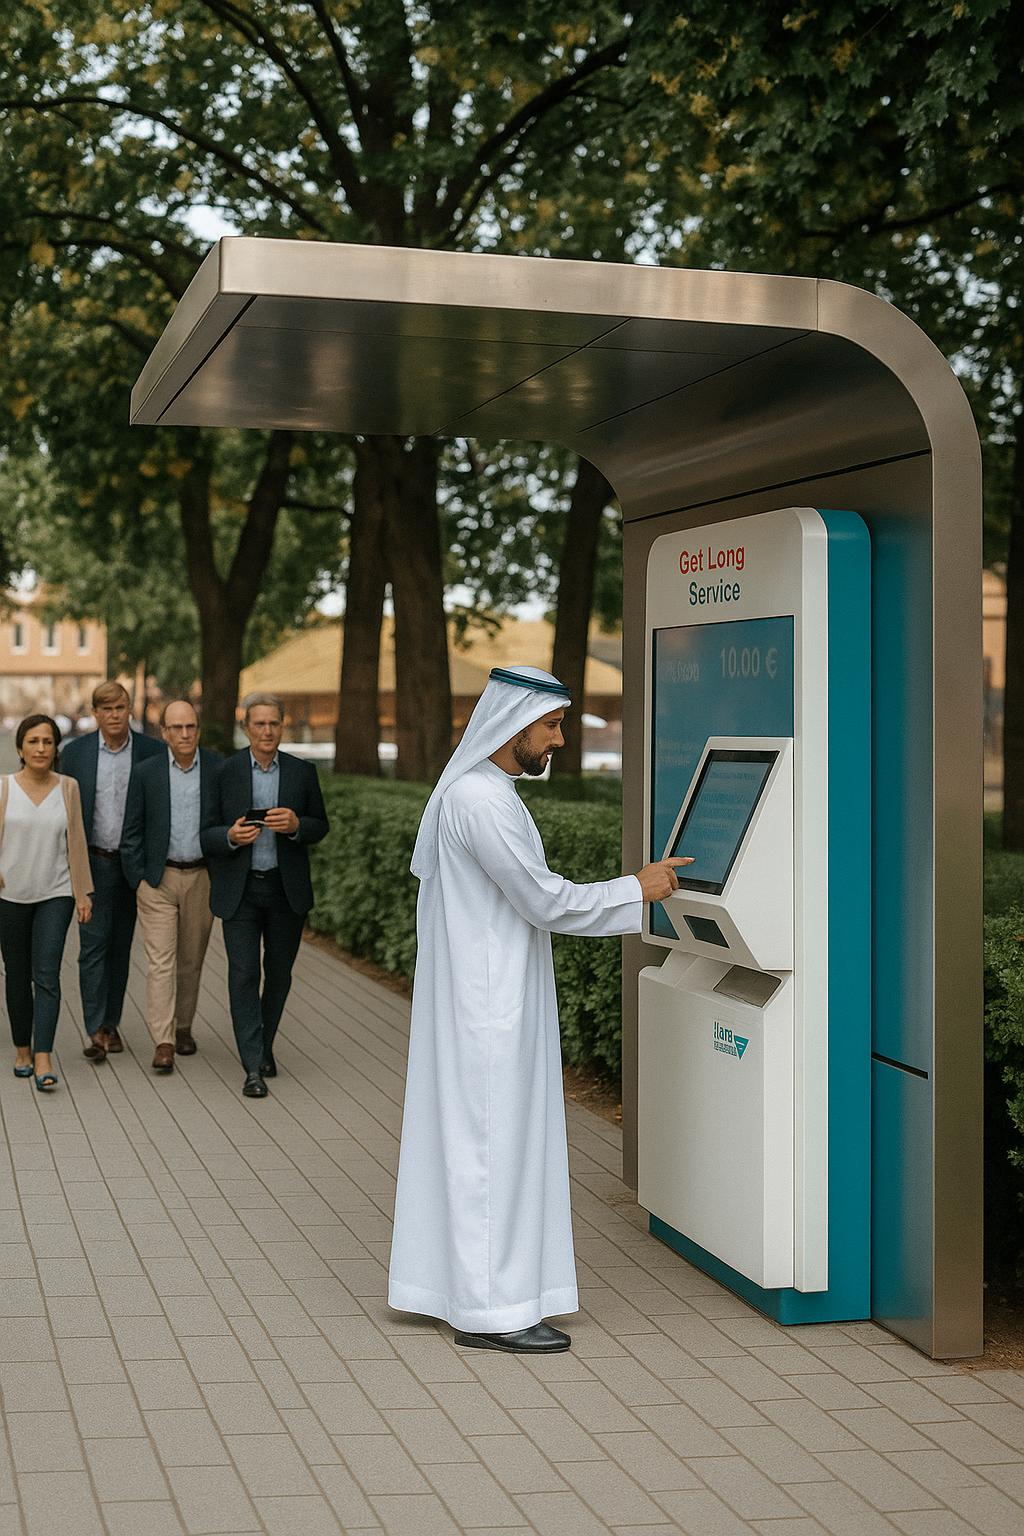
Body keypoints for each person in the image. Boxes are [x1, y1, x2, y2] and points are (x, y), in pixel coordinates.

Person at [387, 666, 689, 1355]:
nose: (558, 740)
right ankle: (490, 1313)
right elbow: (544, 900)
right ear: (512, 725)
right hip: (487, 1009)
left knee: (479, 1148)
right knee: (494, 1150)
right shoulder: (481, 801)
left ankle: (467, 1293)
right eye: (551, 726)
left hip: (486, 1000)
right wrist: (636, 889)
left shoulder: (483, 793)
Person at [202, 693, 329, 1099]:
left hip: (284, 890)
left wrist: (296, 825)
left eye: (274, 724)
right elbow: (206, 833)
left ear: (282, 726)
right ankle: (253, 1066)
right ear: (247, 728)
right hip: (239, 891)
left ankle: (264, 1045)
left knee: (278, 975)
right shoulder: (225, 772)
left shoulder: (301, 772)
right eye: (259, 724)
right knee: (243, 975)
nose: (267, 731)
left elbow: (320, 826)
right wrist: (229, 836)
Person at [61, 681, 164, 1061]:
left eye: (120, 707)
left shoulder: (153, 751)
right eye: (106, 709)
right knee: (92, 947)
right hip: (92, 863)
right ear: (95, 713)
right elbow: (66, 814)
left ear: (129, 709)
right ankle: (94, 1029)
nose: (114, 715)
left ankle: (111, 1023)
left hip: (133, 867)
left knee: (120, 948)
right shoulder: (75, 754)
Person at [120, 701, 222, 1073]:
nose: (184, 734)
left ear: (198, 729)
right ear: (163, 732)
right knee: (160, 962)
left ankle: (183, 1028)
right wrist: (140, 879)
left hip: (201, 878)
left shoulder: (216, 767)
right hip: (157, 881)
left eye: (190, 727)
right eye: (176, 728)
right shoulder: (146, 772)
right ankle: (163, 1041)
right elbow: (130, 830)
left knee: (191, 961)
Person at [0, 715, 93, 1091]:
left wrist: (82, 891)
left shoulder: (67, 787)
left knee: (48, 975)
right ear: (20, 748)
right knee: (17, 977)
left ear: (57, 748)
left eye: (48, 742)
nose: (41, 748)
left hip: (55, 894)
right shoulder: (4, 788)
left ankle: (43, 1056)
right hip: (9, 896)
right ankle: (22, 1049)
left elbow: (77, 842)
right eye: (34, 741)